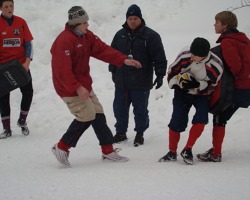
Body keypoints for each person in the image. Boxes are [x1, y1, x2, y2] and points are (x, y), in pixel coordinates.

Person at [50, 6, 142, 167]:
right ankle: (62, 147)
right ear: (75, 24)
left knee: (97, 113)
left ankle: (108, 151)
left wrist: (123, 60)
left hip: (84, 84)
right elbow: (61, 71)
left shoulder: (86, 36)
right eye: (84, 22)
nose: (87, 25)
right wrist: (76, 87)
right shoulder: (63, 41)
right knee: (87, 115)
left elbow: (102, 50)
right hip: (68, 87)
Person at [108, 4, 167, 147]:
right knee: (119, 108)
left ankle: (140, 133)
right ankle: (121, 132)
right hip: (122, 81)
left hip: (141, 81)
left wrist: (160, 75)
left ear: (140, 19)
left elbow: (159, 57)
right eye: (130, 18)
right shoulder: (120, 35)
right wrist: (113, 71)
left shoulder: (151, 36)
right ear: (126, 19)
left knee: (140, 109)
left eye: (135, 18)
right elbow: (112, 54)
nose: (132, 21)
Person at [159, 37, 223, 165]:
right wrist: (176, 84)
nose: (192, 56)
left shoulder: (216, 66)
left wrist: (197, 84)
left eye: (195, 55)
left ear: (204, 55)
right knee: (177, 120)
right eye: (192, 53)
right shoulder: (185, 55)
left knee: (201, 119)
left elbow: (212, 86)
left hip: (202, 95)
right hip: (182, 93)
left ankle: (188, 149)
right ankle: (172, 152)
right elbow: (172, 71)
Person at [197, 11, 250, 162]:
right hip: (247, 86)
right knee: (221, 117)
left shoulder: (228, 42)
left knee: (220, 117)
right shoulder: (244, 39)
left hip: (238, 88)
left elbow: (235, 67)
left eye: (217, 22)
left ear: (225, 25)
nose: (214, 24)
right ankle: (216, 150)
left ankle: (216, 154)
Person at [0, 0, 34, 139]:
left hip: (20, 65)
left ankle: (22, 121)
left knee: (28, 92)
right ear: (1, 8)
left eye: (11, 6)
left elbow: (29, 44)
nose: (9, 8)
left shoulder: (21, 22)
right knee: (3, 96)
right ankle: (6, 128)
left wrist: (27, 63)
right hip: (3, 66)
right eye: (6, 6)